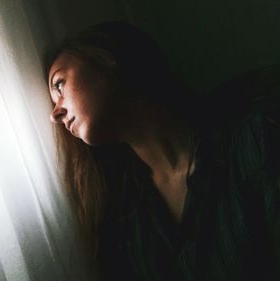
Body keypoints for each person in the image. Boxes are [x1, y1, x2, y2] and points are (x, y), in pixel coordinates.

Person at [44, 21, 280, 281]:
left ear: (107, 58)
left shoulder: (255, 140)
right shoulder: (127, 221)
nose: (55, 114)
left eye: (59, 85)